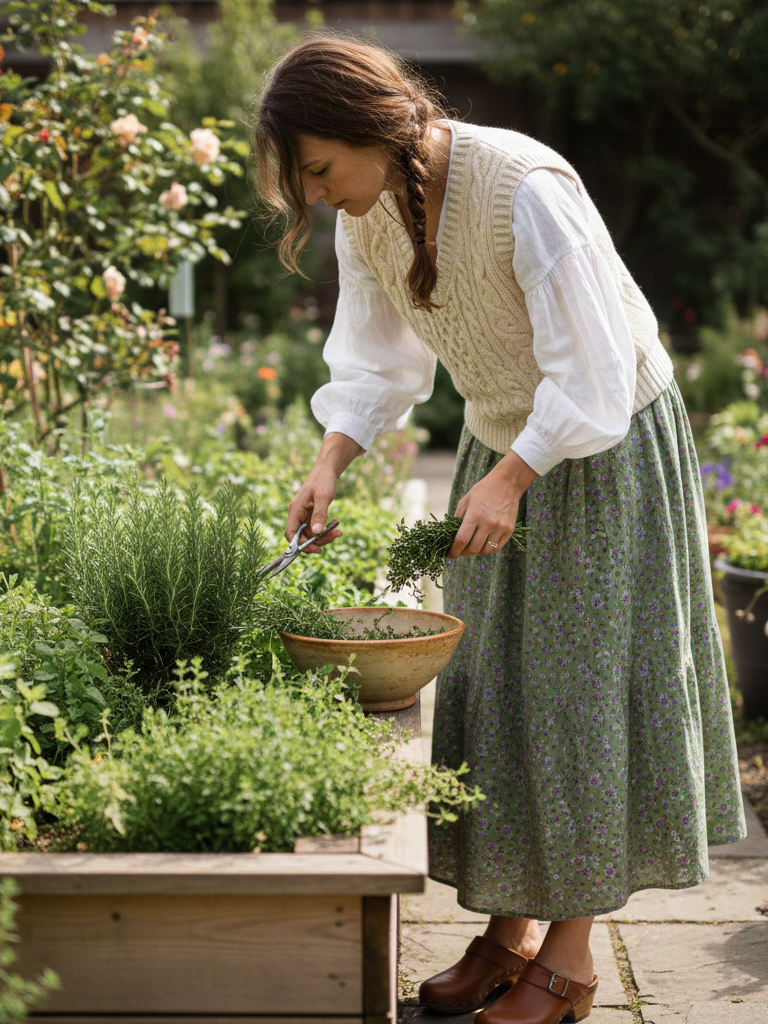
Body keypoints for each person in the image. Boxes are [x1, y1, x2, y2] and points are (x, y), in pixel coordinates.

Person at [255, 35, 746, 1024]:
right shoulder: (370, 218)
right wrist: (327, 464)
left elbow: (595, 377)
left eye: (319, 168)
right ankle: (512, 929)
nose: (315, 194)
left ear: (373, 127)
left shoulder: (522, 188)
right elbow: (380, 365)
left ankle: (570, 966)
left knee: (577, 695)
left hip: (597, 452)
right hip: (501, 446)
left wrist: (518, 474)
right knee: (497, 689)